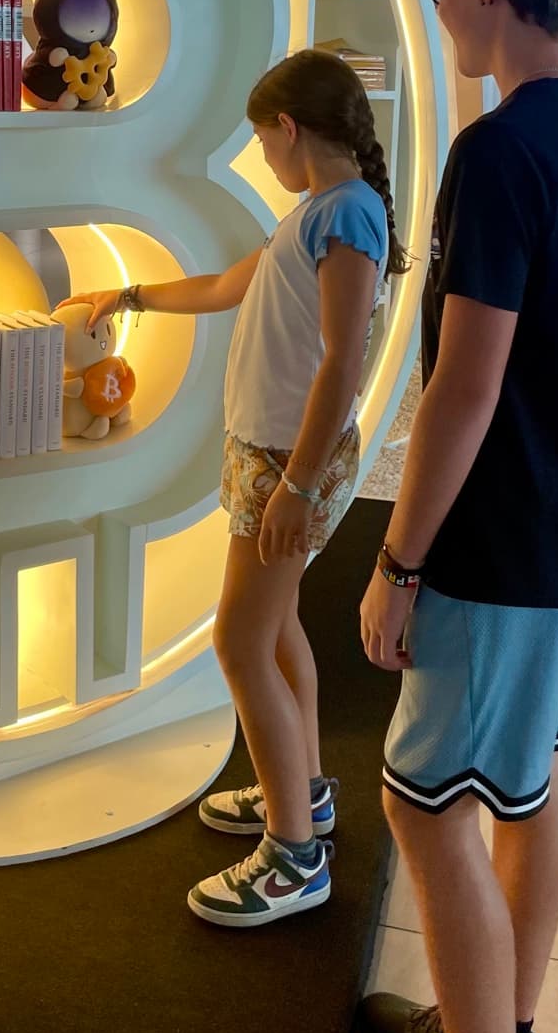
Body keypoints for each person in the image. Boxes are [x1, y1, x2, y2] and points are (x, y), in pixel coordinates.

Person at [357, 0, 558, 1033]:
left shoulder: (498, 147)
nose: (442, 17)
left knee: (423, 808)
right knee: (526, 787)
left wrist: (398, 561)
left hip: (497, 542)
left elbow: (465, 387)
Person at [61, 48, 408, 923]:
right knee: (274, 625)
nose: (260, 157)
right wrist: (128, 293)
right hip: (270, 455)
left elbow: (343, 363)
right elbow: (225, 287)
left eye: (261, 140)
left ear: (289, 128)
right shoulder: (319, 211)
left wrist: (294, 484)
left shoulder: (347, 218)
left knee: (239, 642)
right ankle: (305, 793)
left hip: (289, 460)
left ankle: (294, 855)